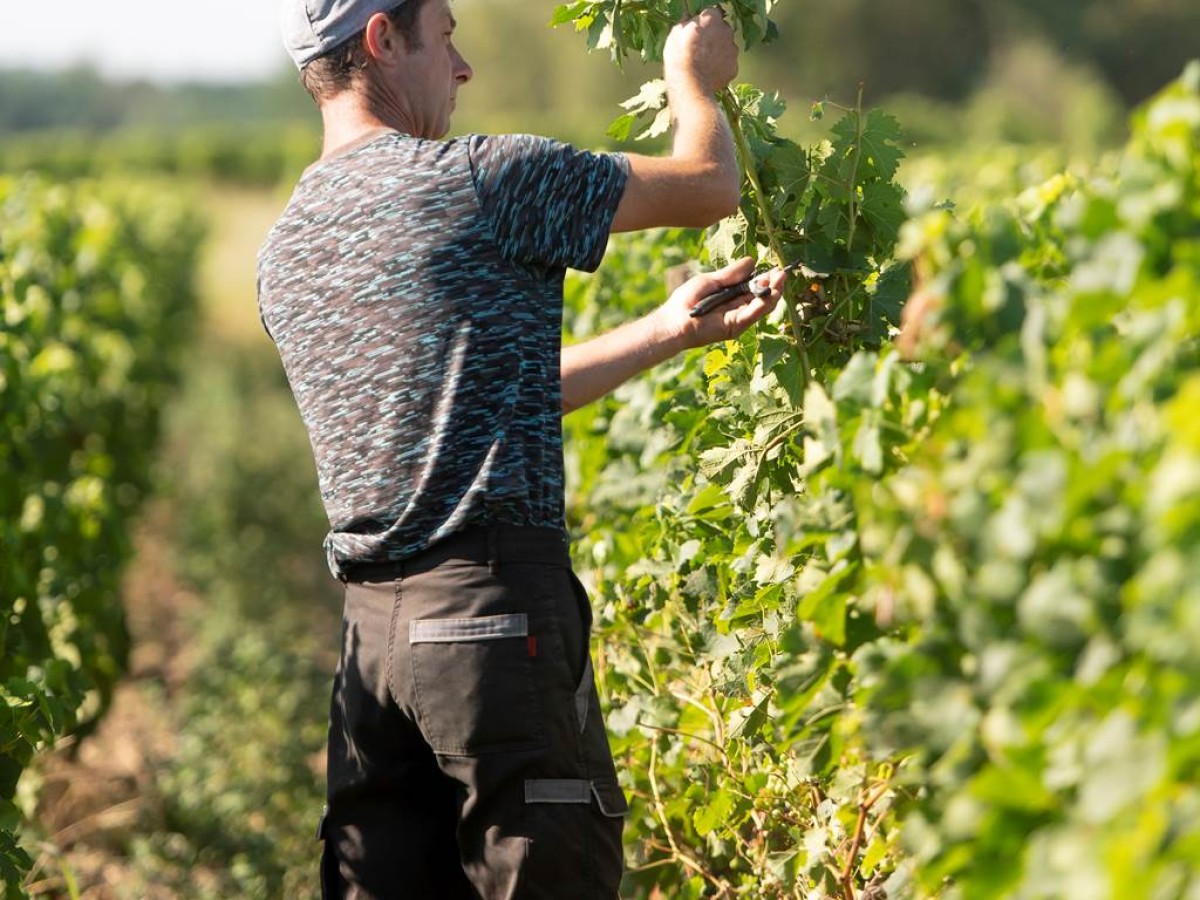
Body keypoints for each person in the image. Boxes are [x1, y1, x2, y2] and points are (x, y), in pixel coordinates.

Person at [257, 0, 786, 896]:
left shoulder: (286, 246)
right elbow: (708, 183)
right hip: (491, 625)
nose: (463, 67)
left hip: (371, 654)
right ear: (382, 40)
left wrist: (665, 330)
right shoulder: (484, 177)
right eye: (446, 36)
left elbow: (482, 395)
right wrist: (692, 78)